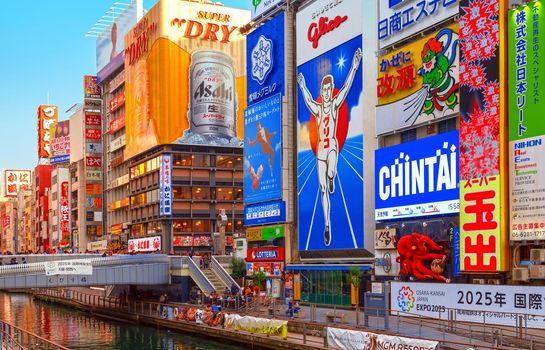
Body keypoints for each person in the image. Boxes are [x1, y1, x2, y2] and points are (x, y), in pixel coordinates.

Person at [297, 47, 362, 246]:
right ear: (321, 91)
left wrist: (354, 66)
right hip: (320, 153)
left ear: (330, 90)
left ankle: (332, 176)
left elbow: (347, 87)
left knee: (331, 173)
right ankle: (327, 225)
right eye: (323, 90)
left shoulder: (334, 105)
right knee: (323, 189)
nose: (326, 93)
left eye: (328, 89)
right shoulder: (317, 109)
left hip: (332, 146)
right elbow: (307, 99)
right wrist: (302, 85)